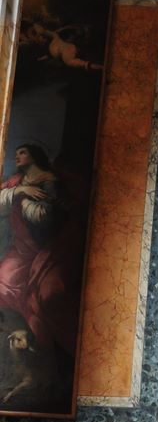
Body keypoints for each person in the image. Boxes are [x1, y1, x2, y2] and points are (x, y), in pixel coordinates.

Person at [0, 144, 81, 361]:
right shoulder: (17, 182)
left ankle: (50, 351)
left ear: (35, 156)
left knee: (48, 296)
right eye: (15, 153)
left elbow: (44, 218)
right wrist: (19, 191)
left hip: (50, 248)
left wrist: (23, 202)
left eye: (22, 152)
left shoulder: (49, 181)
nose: (17, 156)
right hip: (23, 247)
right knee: (3, 281)